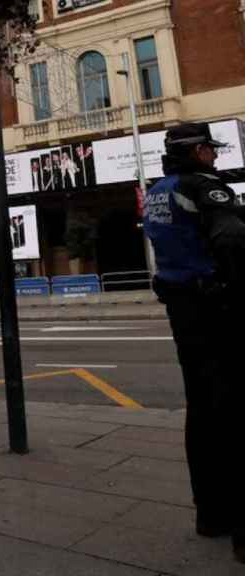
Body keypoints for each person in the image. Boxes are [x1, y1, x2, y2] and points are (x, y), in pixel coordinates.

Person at [143, 122, 245, 563]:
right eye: (211, 150)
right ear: (199, 151)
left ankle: (211, 514)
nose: (216, 157)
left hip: (183, 312)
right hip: (219, 309)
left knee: (203, 411)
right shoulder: (205, 188)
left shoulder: (157, 190)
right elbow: (234, 240)